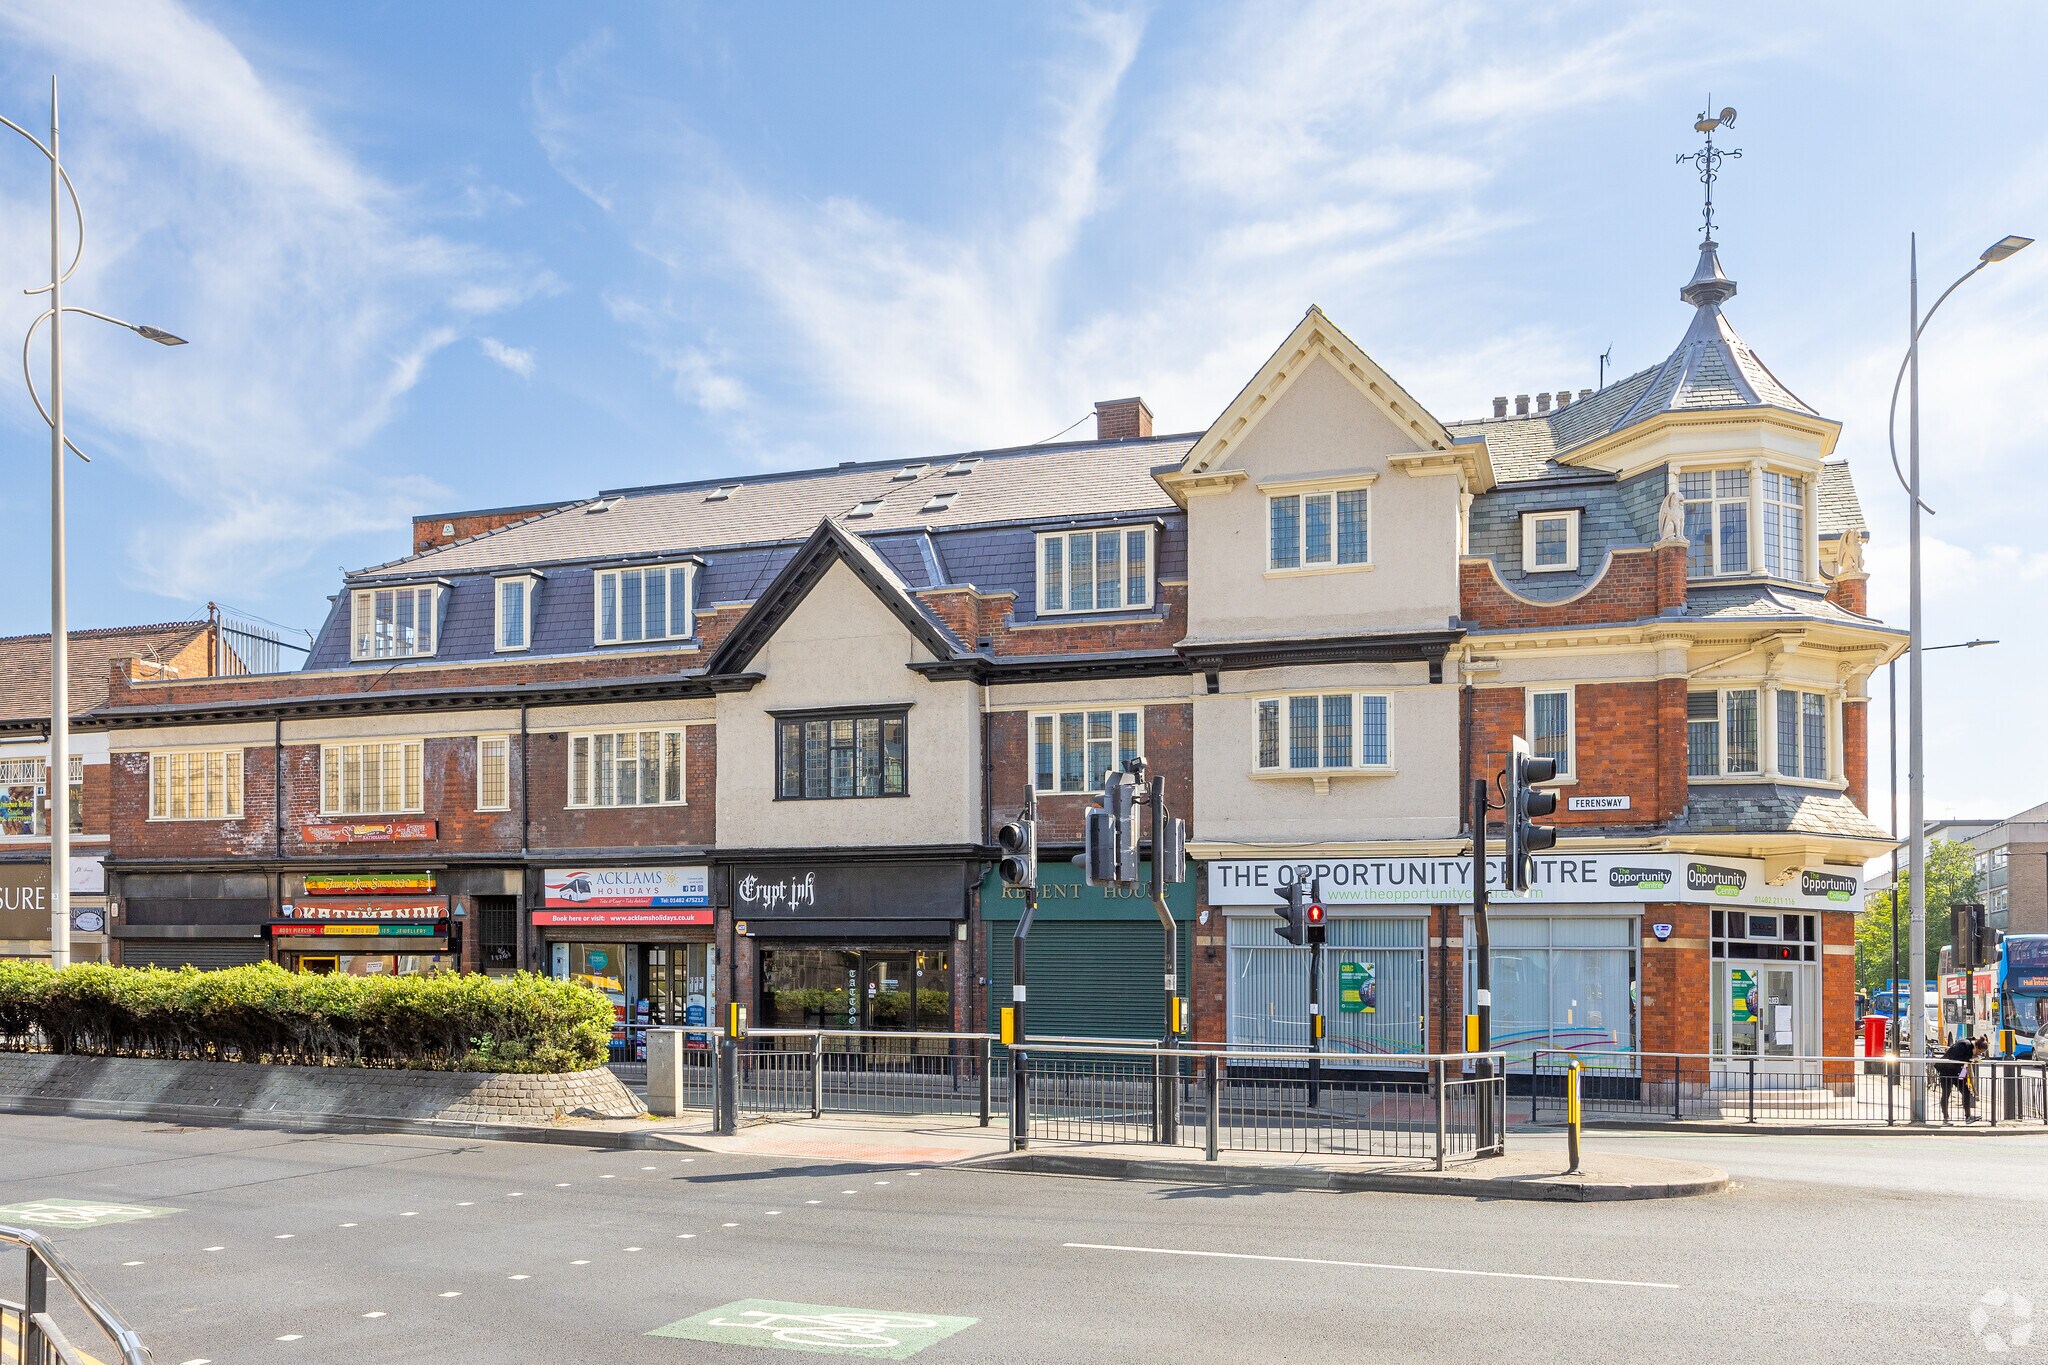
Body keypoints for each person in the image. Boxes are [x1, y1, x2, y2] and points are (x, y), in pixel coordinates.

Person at [1935, 1033, 1988, 1124]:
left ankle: (1968, 1117)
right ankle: (1946, 1117)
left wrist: (1964, 1075)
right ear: (1977, 1047)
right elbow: (1956, 1059)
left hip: (1959, 1071)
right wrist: (1970, 1059)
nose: (1979, 1054)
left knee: (1966, 1091)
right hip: (1946, 1070)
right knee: (1946, 1093)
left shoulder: (1970, 1047)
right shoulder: (1963, 1045)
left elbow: (1964, 1064)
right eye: (1980, 1052)